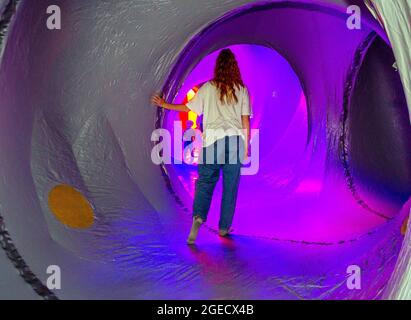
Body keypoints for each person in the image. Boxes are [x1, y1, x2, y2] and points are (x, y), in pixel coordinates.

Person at [151, 49, 252, 244]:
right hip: (234, 142)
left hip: (212, 141)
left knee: (205, 182)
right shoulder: (242, 89)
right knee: (230, 187)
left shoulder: (208, 88)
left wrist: (165, 104)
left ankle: (198, 218)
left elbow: (188, 108)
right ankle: (223, 227)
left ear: (218, 67)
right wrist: (246, 146)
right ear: (235, 67)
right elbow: (245, 121)